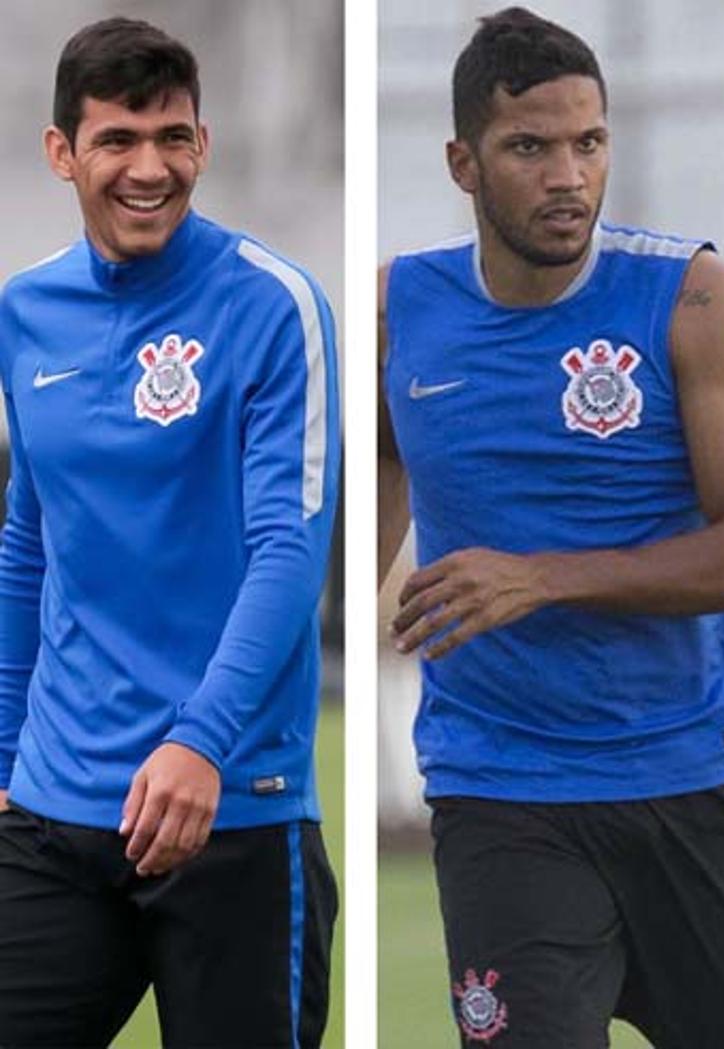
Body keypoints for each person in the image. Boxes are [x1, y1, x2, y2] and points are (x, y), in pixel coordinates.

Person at [378, 7, 724, 1046]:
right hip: (500, 784)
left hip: (694, 770)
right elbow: (381, 459)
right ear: (463, 162)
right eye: (530, 147)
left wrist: (542, 577)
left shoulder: (691, 298)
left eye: (589, 144)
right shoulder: (397, 309)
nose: (568, 176)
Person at [0, 17, 339, 1047]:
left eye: (173, 138)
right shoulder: (25, 312)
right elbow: (29, 542)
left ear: (204, 142)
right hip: (55, 814)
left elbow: (291, 548)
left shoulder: (274, 306)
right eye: (118, 140)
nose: (150, 168)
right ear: (64, 152)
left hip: (232, 809)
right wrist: (7, 747)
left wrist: (201, 739)